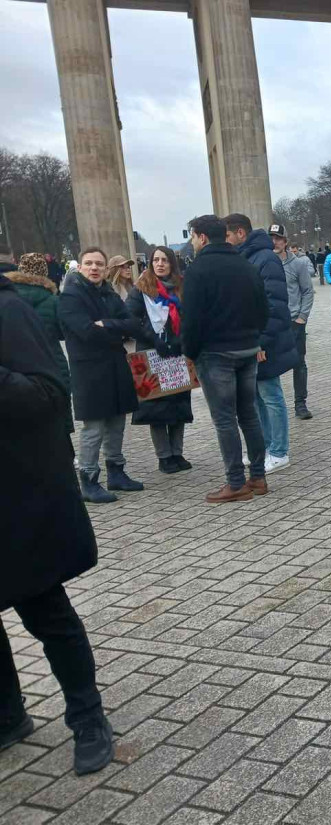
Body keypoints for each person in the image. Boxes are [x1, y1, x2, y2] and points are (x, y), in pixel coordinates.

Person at [0, 271, 114, 775]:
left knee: (45, 611)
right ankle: (8, 717)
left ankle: (88, 716)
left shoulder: (10, 309)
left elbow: (47, 395)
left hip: (14, 494)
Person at [181, 215, 269, 502]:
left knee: (225, 420)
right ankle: (258, 477)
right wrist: (254, 337)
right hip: (247, 349)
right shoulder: (246, 264)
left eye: (193, 236)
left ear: (202, 237)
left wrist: (190, 352)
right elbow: (263, 309)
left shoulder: (198, 270)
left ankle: (235, 482)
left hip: (215, 354)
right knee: (249, 415)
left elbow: (191, 319)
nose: (193, 241)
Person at [58, 247, 144, 504]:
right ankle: (89, 479)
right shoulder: (70, 297)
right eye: (89, 264)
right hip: (89, 370)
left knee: (117, 420)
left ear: (106, 269)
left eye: (99, 264)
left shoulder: (109, 293)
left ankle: (116, 471)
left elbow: (132, 324)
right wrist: (116, 329)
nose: (94, 268)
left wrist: (106, 324)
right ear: (80, 268)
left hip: (115, 365)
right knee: (94, 427)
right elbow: (84, 331)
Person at [225, 214, 299, 472]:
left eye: (228, 235)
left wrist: (261, 342)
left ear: (240, 234)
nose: (226, 241)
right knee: (256, 396)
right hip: (251, 340)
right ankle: (265, 446)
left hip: (265, 341)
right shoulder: (247, 257)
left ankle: (279, 451)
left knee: (271, 395)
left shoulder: (264, 258)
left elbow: (275, 305)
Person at [126, 246, 194, 473]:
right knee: (157, 408)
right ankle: (164, 456)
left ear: (172, 264)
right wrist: (153, 340)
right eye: (156, 260)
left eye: (164, 260)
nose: (160, 264)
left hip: (176, 352)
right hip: (151, 353)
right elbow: (131, 320)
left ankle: (178, 452)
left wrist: (180, 340)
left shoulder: (182, 287)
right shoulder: (141, 289)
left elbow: (191, 317)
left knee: (178, 404)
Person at [9, 253, 73, 434]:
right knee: (58, 416)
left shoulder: (7, 297)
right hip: (51, 361)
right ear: (44, 271)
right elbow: (63, 333)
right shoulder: (52, 300)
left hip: (16, 365)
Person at [270, 225, 315, 419]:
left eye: (278, 238)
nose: (275, 242)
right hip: (272, 323)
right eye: (271, 238)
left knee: (299, 363)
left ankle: (300, 403)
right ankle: (274, 408)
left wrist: (302, 317)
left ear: (285, 241)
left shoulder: (298, 264)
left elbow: (307, 291)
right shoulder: (265, 264)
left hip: (293, 321)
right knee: (271, 366)